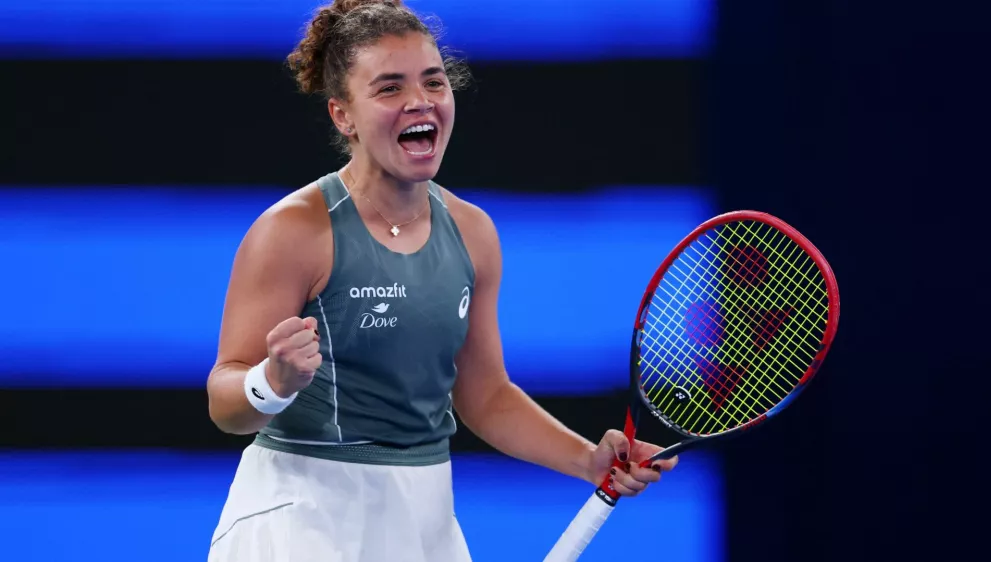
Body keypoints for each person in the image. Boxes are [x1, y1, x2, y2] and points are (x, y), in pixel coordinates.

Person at [205, 1, 677, 560]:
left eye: (433, 81)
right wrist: (273, 381)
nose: (419, 101)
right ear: (342, 115)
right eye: (388, 88)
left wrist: (586, 459)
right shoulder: (293, 231)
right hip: (299, 519)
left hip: (424, 522)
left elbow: (484, 393)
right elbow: (225, 400)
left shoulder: (473, 233)